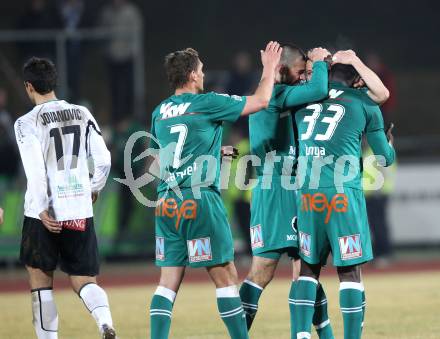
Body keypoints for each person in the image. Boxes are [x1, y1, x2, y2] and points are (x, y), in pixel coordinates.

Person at [148, 42, 282, 339]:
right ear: (193, 76)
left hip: (167, 201)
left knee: (167, 282)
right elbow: (260, 101)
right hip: (199, 200)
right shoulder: (207, 102)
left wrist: (208, 155)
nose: (204, 75)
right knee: (226, 277)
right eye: (202, 71)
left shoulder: (160, 112)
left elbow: (157, 161)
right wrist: (270, 67)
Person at [292, 60, 395, 339]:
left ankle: (300, 335)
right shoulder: (364, 102)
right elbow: (385, 157)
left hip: (307, 194)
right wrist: (389, 141)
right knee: (349, 271)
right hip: (342, 195)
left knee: (308, 269)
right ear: (358, 81)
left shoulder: (304, 100)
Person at [14, 57, 116, 339]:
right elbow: (104, 159)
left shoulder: (26, 123)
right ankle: (105, 322)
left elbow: (35, 170)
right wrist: (94, 187)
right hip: (78, 208)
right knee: (84, 279)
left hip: (42, 214)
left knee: (40, 282)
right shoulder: (82, 113)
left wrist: (44, 207)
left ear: (28, 86)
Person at [240, 44, 335, 339]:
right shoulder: (277, 94)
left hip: (293, 185)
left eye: (306, 72)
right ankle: (238, 333)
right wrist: (319, 63)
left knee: (307, 269)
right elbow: (319, 89)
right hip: (278, 187)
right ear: (282, 70)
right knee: (264, 269)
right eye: (299, 71)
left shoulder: (277, 91)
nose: (303, 78)